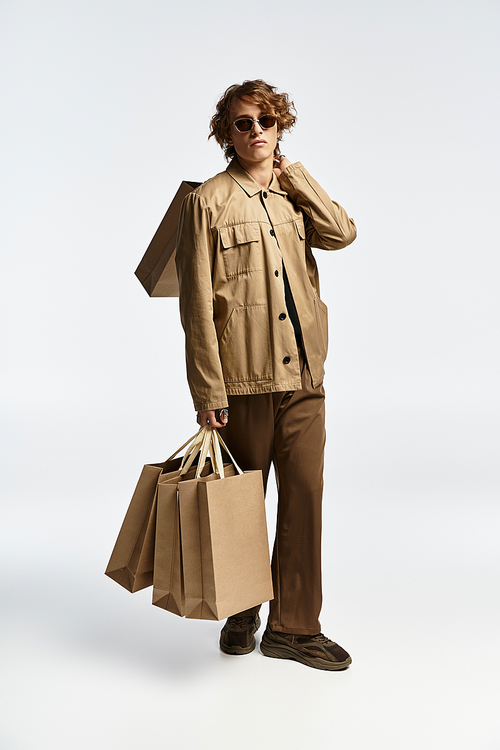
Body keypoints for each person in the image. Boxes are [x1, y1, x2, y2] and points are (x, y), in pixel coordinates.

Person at [175, 79, 357, 671]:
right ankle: (242, 609)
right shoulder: (206, 201)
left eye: (265, 122)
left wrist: (295, 176)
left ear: (280, 127)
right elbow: (196, 305)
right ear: (225, 133)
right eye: (242, 123)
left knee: (303, 496)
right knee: (241, 502)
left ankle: (295, 629)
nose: (255, 132)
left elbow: (342, 233)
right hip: (242, 383)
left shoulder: (290, 194)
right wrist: (208, 390)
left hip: (304, 378)